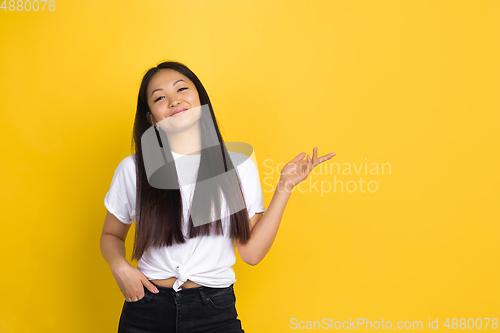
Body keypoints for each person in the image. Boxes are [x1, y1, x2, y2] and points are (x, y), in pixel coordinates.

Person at [100, 61, 336, 333]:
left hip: (214, 311)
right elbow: (111, 235)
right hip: (147, 308)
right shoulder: (133, 169)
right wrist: (120, 267)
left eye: (182, 89)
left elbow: (251, 253)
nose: (174, 101)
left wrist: (285, 186)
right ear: (152, 119)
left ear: (200, 99)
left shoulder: (237, 165)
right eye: (160, 98)